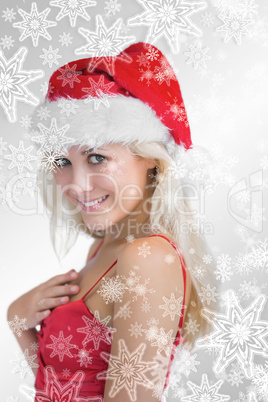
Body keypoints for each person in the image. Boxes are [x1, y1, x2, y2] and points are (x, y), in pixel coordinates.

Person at [7, 42, 217, 401]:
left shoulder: (148, 256)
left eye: (97, 158)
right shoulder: (103, 247)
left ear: (151, 158)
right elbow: (63, 387)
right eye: (62, 163)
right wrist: (18, 321)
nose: (76, 184)